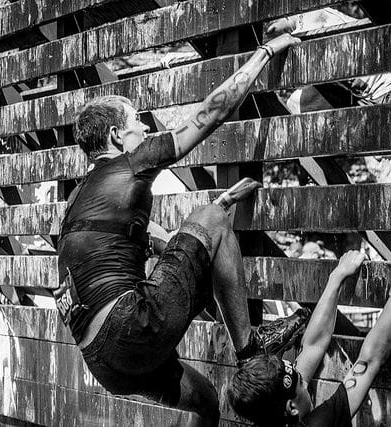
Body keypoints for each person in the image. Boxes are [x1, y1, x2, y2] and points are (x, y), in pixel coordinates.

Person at [55, 32, 303, 426]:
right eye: (137, 121)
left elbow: (156, 242)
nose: (144, 128)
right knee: (213, 218)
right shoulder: (132, 163)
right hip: (130, 327)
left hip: (102, 361)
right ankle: (251, 349)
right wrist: (265, 52)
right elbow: (209, 116)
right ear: (117, 136)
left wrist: (212, 226)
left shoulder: (77, 202)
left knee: (205, 402)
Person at [227, 251, 391, 426]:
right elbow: (370, 361)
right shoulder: (319, 424)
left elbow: (312, 346)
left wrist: (336, 278)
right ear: (291, 408)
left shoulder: (270, 412)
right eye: (302, 384)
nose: (304, 381)